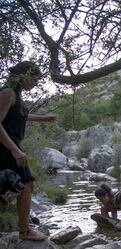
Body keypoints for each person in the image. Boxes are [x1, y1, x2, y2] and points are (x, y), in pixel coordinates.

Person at [0, 61, 56, 241]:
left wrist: (43, 118)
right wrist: (15, 150)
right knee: (27, 186)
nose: (36, 83)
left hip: (9, 146)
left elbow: (17, 116)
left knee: (22, 186)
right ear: (24, 75)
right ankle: (24, 231)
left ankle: (25, 229)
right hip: (6, 147)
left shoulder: (15, 94)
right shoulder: (8, 93)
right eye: (34, 79)